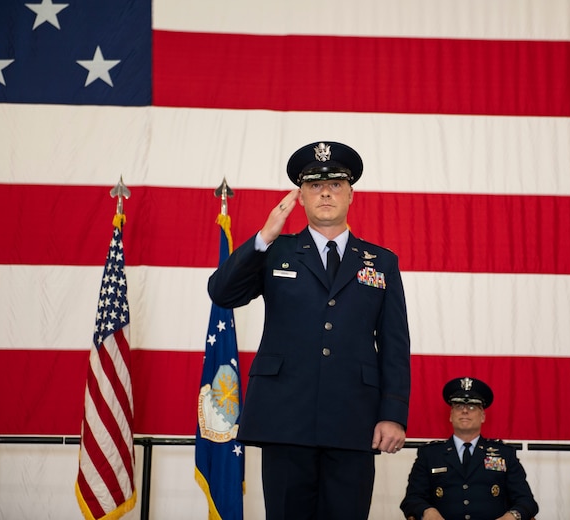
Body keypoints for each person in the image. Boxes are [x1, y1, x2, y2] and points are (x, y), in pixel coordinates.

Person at [208, 140, 411, 520]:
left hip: (355, 418)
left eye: (335, 184)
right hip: (285, 416)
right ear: (300, 197)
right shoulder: (275, 251)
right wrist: (264, 237)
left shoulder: (381, 262)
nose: (326, 193)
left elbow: (395, 343)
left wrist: (393, 413)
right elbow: (223, 294)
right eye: (315, 185)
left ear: (351, 193)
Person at [400, 377, 539, 520]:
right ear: (451, 415)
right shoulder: (430, 454)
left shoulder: (505, 454)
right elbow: (412, 499)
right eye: (459, 406)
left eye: (472, 407)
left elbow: (527, 501)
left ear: (483, 416)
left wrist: (512, 516)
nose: (465, 411)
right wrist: (427, 511)